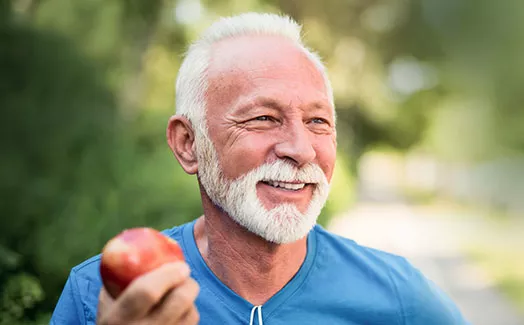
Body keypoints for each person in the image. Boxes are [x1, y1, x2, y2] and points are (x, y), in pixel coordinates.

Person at [50, 12, 470, 325]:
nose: (300, 149)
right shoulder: (102, 299)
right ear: (188, 144)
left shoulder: (400, 299)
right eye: (263, 118)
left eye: (317, 122)